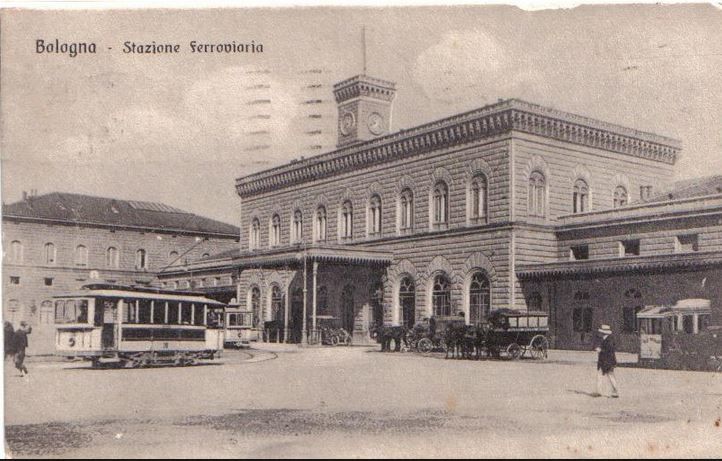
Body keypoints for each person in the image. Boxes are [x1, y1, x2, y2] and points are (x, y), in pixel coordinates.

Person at [593, 324, 619, 398]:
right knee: (600, 375)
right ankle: (599, 391)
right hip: (603, 361)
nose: (600, 334)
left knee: (610, 376)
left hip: (607, 361)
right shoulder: (605, 339)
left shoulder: (609, 340)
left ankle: (615, 391)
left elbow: (609, 350)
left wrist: (600, 350)